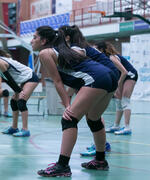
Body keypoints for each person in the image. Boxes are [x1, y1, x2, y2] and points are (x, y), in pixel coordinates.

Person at [32, 26, 117, 177]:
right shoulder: (63, 49)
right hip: (109, 77)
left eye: (35, 37)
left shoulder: (45, 53)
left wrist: (67, 105)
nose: (32, 41)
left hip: (96, 77)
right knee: (94, 119)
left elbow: (58, 82)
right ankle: (100, 160)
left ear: (44, 40)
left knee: (69, 120)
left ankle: (62, 166)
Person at [60, 25, 127, 156]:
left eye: (60, 35)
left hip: (103, 77)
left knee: (86, 117)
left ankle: (99, 146)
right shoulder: (81, 45)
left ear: (67, 37)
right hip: (104, 77)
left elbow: (79, 58)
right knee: (93, 116)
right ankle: (101, 149)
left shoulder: (76, 47)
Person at [0, 48, 39, 137]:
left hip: (31, 77)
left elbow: (9, 79)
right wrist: (17, 91)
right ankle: (14, 128)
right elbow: (7, 80)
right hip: (23, 80)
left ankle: (25, 130)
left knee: (21, 101)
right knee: (13, 101)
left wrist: (19, 91)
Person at [96, 42, 138, 135]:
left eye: (96, 49)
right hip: (121, 78)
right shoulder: (103, 60)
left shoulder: (111, 57)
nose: (95, 51)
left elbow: (124, 72)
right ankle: (116, 125)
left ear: (102, 50)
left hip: (130, 75)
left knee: (125, 100)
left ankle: (127, 128)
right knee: (118, 102)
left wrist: (117, 85)